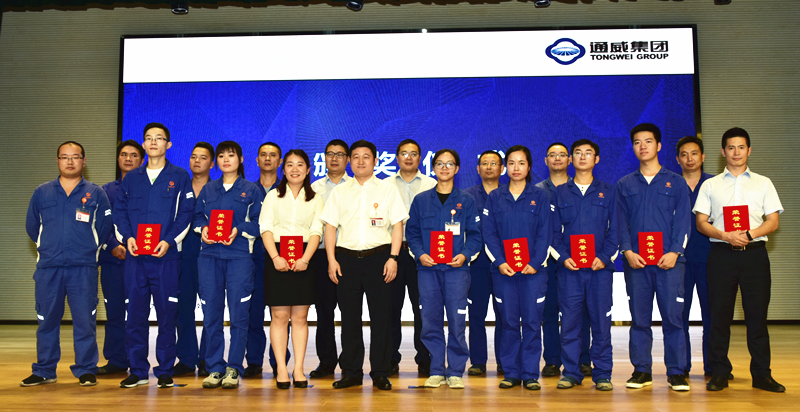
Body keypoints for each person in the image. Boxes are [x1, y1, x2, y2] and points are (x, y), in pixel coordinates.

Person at [695, 127, 785, 393]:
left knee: (757, 316)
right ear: (723, 152)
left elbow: (773, 221)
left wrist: (748, 234)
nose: (736, 152)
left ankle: (762, 375)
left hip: (754, 255)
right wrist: (725, 235)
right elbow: (701, 222)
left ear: (749, 150)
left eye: (741, 147)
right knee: (719, 316)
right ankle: (720, 372)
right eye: (731, 147)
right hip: (721, 256)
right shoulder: (710, 185)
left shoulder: (763, 183)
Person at [21, 141, 113, 387]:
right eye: (64, 157)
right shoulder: (42, 192)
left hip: (83, 267)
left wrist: (87, 248)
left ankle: (86, 369)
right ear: (58, 161)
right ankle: (44, 370)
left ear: (84, 161)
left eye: (75, 157)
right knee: (46, 319)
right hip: (49, 267)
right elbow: (32, 226)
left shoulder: (96, 193)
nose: (70, 161)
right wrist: (50, 247)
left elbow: (104, 228)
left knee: (85, 320)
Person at [320, 139, 407, 391]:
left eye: (366, 157)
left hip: (380, 259)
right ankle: (351, 372)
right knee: (349, 318)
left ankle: (380, 371)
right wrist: (331, 260)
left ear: (375, 161)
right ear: (349, 161)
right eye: (355, 157)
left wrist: (393, 258)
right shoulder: (339, 192)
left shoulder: (388, 190)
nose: (360, 161)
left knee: (381, 318)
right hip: (346, 260)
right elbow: (330, 227)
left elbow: (398, 226)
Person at [113, 123, 195, 388]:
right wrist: (127, 237)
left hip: (165, 258)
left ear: (168, 144)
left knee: (167, 315)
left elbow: (186, 214)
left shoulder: (179, 176)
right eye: (148, 138)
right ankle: (137, 370)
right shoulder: (132, 178)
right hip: (136, 258)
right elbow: (120, 212)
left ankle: (165, 370)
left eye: (159, 138)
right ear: (144, 144)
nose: (153, 142)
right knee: (135, 315)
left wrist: (169, 241)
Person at [616, 123, 691, 391]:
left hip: (669, 263)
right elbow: (620, 223)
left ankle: (676, 372)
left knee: (673, 318)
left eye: (648, 141)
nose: (643, 146)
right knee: (639, 319)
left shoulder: (677, 182)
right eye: (637, 142)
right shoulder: (624, 184)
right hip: (637, 264)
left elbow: (683, 221)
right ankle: (641, 371)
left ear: (659, 145)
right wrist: (627, 251)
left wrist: (674, 252)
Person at [406, 149, 482, 389]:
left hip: (456, 271)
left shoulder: (466, 201)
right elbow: (412, 234)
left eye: (449, 164)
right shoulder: (421, 200)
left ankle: (456, 371)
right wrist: (420, 254)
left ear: (457, 169)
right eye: (439, 163)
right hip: (428, 271)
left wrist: (465, 255)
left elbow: (475, 236)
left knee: (457, 321)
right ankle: (437, 369)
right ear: (433, 168)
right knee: (430, 321)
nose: (444, 168)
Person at [482, 145, 552, 391]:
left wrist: (535, 263)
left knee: (532, 322)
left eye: (521, 163)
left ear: (529, 167)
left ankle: (530, 373)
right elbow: (489, 233)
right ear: (505, 167)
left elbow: (545, 233)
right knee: (509, 322)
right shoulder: (495, 197)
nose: (516, 168)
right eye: (511, 163)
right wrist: (500, 262)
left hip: (534, 273)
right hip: (504, 273)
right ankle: (511, 372)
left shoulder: (541, 196)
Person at [195, 141, 264, 389]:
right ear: (216, 161)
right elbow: (196, 217)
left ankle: (234, 367)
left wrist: (238, 229)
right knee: (211, 316)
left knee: (239, 316)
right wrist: (203, 229)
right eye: (222, 156)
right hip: (209, 257)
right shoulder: (208, 189)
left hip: (239, 258)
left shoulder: (251, 190)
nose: (226, 159)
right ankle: (215, 367)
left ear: (241, 159)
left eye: (231, 155)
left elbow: (260, 223)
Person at [551, 139, 617, 391]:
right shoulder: (559, 193)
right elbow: (553, 233)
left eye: (588, 153)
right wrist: (562, 257)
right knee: (569, 324)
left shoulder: (609, 191)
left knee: (601, 323)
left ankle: (603, 374)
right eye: (577, 153)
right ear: (571, 159)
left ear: (596, 159)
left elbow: (616, 231)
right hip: (570, 271)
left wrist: (606, 257)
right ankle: (571, 372)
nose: (582, 157)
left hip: (600, 270)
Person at [260, 149, 323, 389]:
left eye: (300, 165)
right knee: (279, 316)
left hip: (305, 257)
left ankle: (298, 369)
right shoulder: (272, 196)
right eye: (289, 164)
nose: (294, 169)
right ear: (283, 169)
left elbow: (316, 231)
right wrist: (275, 257)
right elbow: (265, 228)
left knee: (300, 317)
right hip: (276, 255)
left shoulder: (316, 198)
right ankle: (281, 369)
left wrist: (305, 259)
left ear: (308, 170)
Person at [535, 142, 592, 378]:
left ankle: (582, 359)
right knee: (548, 311)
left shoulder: (579, 187)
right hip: (546, 260)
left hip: (576, 258)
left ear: (569, 160)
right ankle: (552, 360)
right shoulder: (536, 191)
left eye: (562, 155)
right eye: (552, 155)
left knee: (580, 311)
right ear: (545, 160)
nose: (557, 159)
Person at [385, 138, 436, 376]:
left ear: (420, 158)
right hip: (392, 254)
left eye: (413, 153)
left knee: (423, 308)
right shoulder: (384, 185)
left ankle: (425, 358)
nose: (408, 157)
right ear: (397, 158)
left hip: (422, 254)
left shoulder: (431, 184)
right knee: (390, 308)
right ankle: (390, 358)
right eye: (404, 153)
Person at [97, 140, 144, 376]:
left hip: (142, 260)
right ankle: (116, 359)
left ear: (142, 160)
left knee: (137, 313)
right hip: (113, 261)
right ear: (118, 159)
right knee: (114, 312)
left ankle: (138, 360)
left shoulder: (149, 190)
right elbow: (99, 224)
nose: (128, 158)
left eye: (134, 155)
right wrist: (112, 245)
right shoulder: (105, 191)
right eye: (124, 154)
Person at [243, 141, 287, 378]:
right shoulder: (247, 190)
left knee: (281, 314)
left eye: (273, 155)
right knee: (254, 313)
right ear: (257, 160)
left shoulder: (288, 189)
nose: (268, 158)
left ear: (280, 161)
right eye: (263, 154)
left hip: (281, 258)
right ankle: (254, 361)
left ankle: (280, 362)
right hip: (253, 259)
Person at [309, 139, 351, 379]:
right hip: (321, 255)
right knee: (324, 311)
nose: (334, 158)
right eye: (330, 154)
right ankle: (326, 363)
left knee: (349, 311)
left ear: (347, 159)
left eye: (340, 154)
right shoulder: (313, 189)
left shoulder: (355, 187)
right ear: (324, 158)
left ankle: (349, 363)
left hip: (348, 255)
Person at [675, 136, 716, 379]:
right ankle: (681, 366)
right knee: (679, 315)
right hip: (678, 260)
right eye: (684, 154)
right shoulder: (670, 184)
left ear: (703, 157)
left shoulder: (715, 184)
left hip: (711, 258)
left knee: (713, 314)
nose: (689, 159)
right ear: (677, 159)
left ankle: (714, 365)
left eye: (694, 153)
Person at [173, 142, 214, 377]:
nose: (197, 161)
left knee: (211, 309)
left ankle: (208, 358)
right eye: (193, 157)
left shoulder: (218, 189)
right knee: (183, 308)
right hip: (183, 256)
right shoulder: (180, 188)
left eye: (203, 157)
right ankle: (187, 359)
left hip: (211, 256)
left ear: (212, 163)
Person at [464, 150, 504, 376]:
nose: (489, 167)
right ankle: (478, 361)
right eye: (485, 164)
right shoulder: (467, 197)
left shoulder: (509, 194)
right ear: (478, 169)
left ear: (502, 169)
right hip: (477, 265)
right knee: (476, 314)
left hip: (504, 265)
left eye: (494, 163)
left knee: (505, 315)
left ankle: (504, 361)